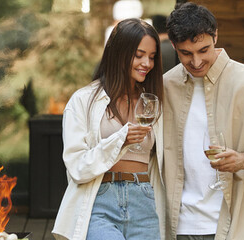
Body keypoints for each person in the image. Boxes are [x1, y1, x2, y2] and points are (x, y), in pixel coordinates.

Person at [161, 3, 244, 240]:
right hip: (179, 226)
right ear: (173, 46)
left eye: (203, 50)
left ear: (216, 36)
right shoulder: (164, 86)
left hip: (240, 224)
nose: (197, 62)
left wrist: (242, 160)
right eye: (186, 53)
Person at [52, 18, 166, 240]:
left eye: (152, 57)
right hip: (100, 200)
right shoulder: (83, 100)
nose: (147, 63)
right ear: (119, 53)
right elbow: (76, 167)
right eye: (139, 55)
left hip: (144, 199)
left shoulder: (152, 102)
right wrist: (120, 140)